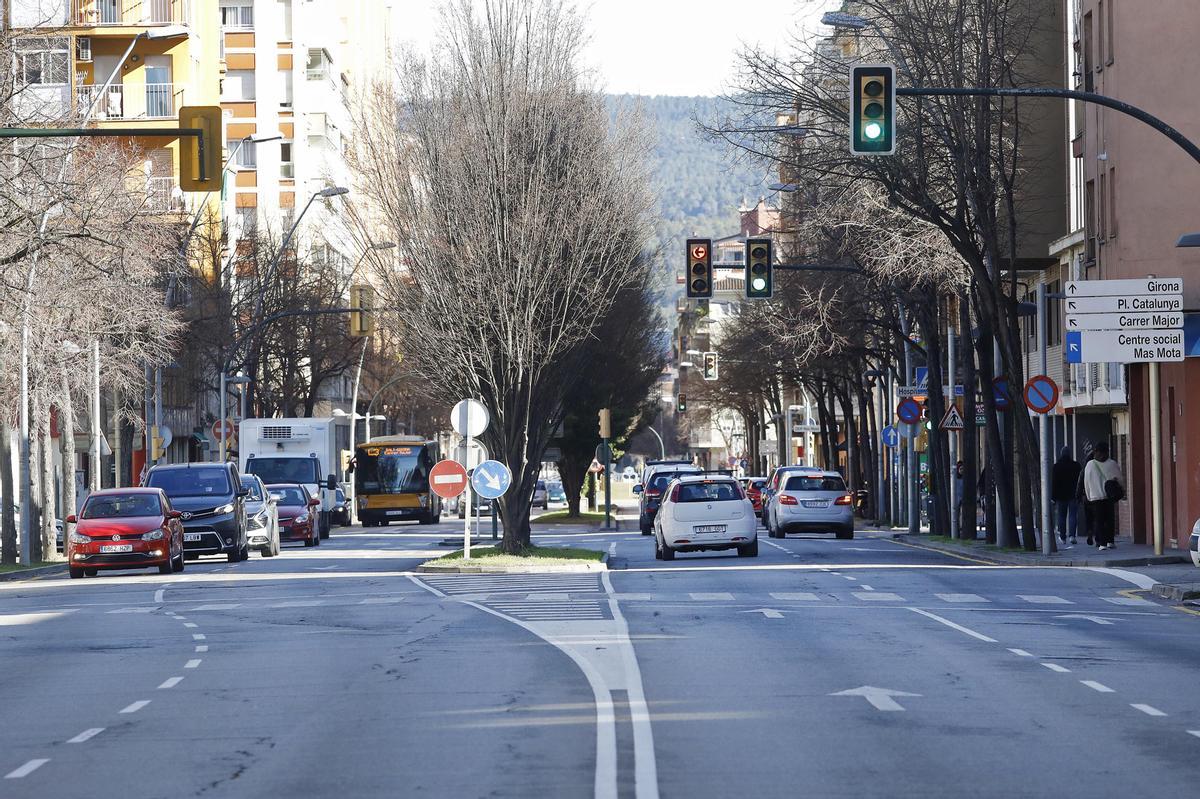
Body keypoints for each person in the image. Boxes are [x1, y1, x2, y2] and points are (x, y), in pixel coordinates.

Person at [1083, 441, 1124, 551]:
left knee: (1099, 520)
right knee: (1110, 520)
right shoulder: (1112, 464)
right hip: (1108, 497)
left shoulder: (1090, 465)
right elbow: (1120, 480)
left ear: (1095, 452)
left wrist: (1088, 495)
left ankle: (1102, 543)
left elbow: (1086, 482)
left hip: (1095, 497)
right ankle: (1110, 541)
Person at [1050, 447, 1082, 545]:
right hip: (1073, 494)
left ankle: (1062, 537)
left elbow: (1054, 483)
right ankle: (1072, 535)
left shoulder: (1057, 466)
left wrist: (1053, 497)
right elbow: (1080, 481)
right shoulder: (1076, 466)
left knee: (1061, 516)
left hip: (1061, 495)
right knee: (1073, 515)